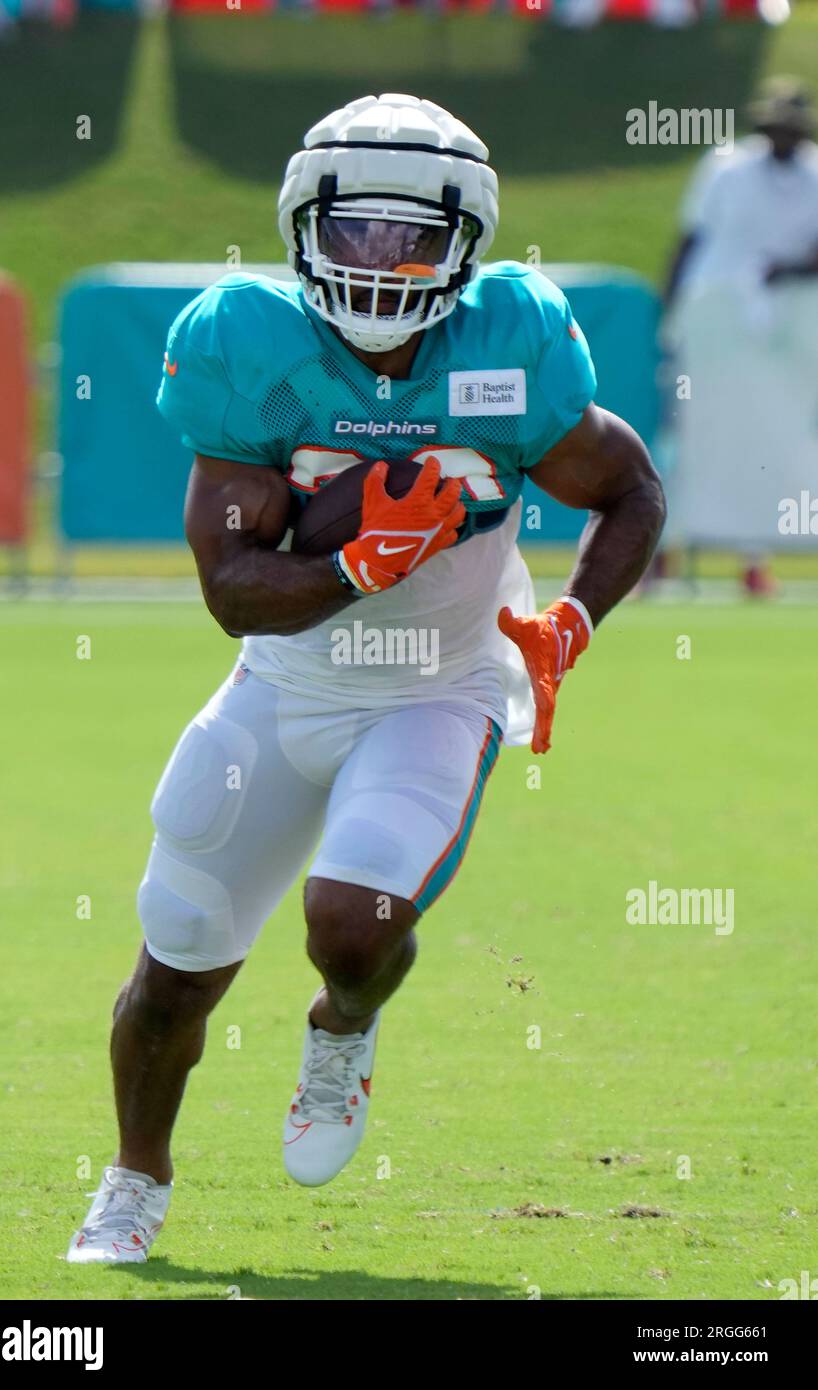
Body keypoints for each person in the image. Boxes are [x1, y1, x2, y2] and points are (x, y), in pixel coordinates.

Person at [67, 93, 664, 1263]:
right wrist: (351, 559)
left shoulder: (511, 341)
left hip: (437, 687)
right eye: (357, 233)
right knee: (175, 950)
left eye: (413, 237)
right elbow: (232, 587)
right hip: (283, 685)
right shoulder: (247, 341)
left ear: (466, 243)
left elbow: (629, 487)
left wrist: (572, 620)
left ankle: (341, 1025)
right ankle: (134, 1177)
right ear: (302, 228)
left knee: (352, 924)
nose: (383, 263)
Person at [663, 77, 818, 594]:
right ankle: (664, 552)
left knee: (770, 439)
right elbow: (691, 240)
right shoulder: (725, 167)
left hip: (784, 329)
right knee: (696, 435)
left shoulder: (814, 174)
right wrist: (671, 311)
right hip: (716, 321)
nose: (782, 135)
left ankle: (755, 559)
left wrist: (787, 269)